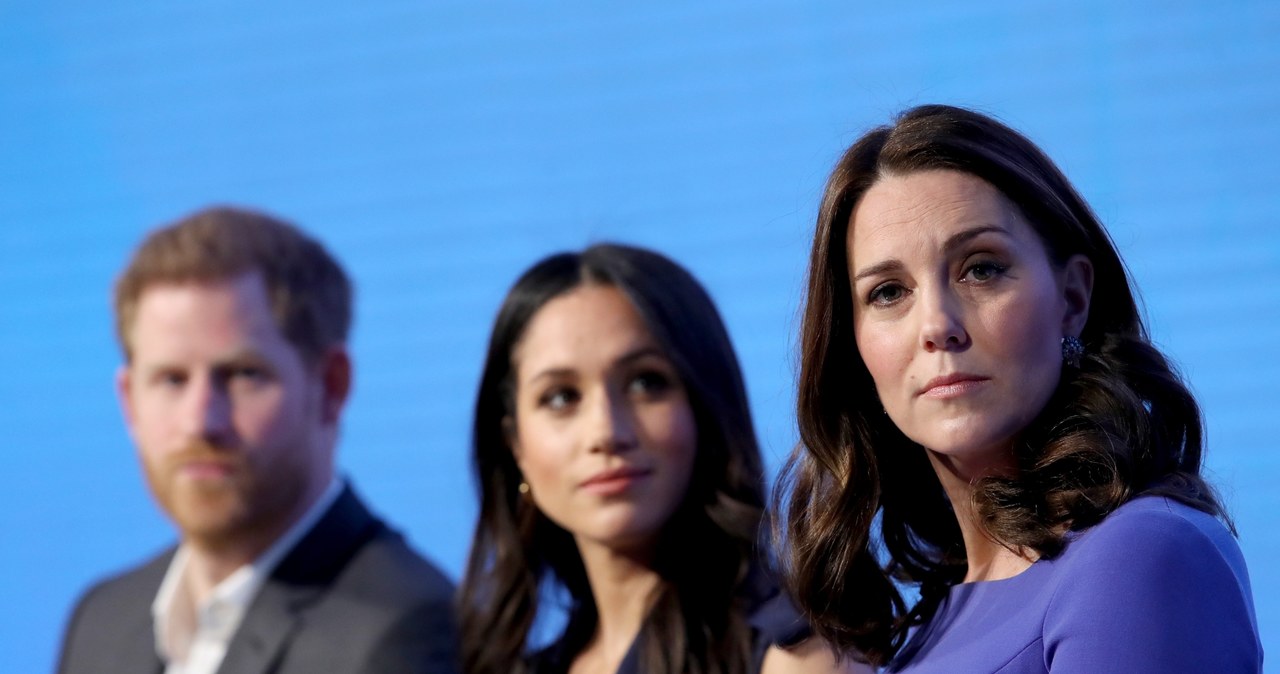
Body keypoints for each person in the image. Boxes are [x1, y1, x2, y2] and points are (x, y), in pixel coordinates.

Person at [775, 105, 1263, 672]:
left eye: (980, 268)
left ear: (1072, 300)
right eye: (888, 292)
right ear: (852, 345)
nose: (936, 326)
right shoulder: (928, 626)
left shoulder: (1140, 556)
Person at [57, 207, 460, 674]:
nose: (200, 421)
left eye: (243, 376)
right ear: (129, 402)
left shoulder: (407, 629)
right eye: (170, 380)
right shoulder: (100, 620)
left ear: (331, 386)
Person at [457, 244, 865, 674]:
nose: (606, 433)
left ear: (704, 406)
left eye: (646, 383)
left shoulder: (794, 651)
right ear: (514, 444)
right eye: (561, 397)